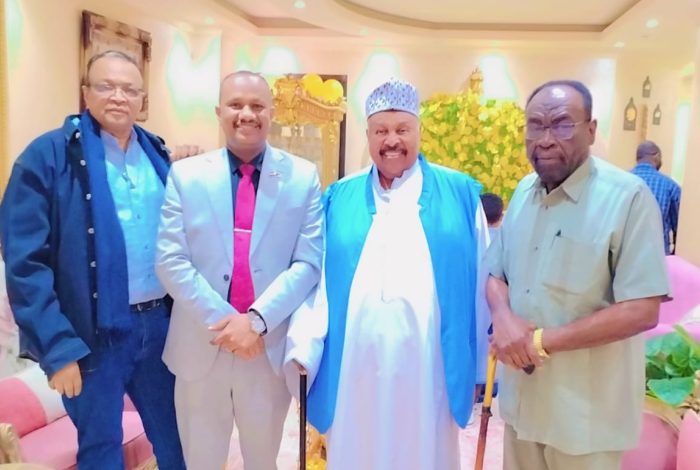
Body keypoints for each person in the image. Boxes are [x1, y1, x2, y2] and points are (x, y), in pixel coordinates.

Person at [284, 77, 490, 470]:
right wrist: (304, 346)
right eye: (381, 131)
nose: (391, 140)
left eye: (402, 129)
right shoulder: (338, 197)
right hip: (354, 367)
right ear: (367, 135)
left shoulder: (460, 194)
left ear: (419, 131)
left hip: (429, 367)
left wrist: (478, 367)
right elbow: (317, 281)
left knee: (425, 453)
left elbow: (481, 282)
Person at [0, 50, 186, 469]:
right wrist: (58, 349)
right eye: (106, 86)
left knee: (179, 438)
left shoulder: (157, 153)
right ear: (85, 92)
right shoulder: (47, 157)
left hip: (161, 325)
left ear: (142, 99)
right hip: (93, 334)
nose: (118, 96)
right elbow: (25, 264)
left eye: (129, 89)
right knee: (101, 450)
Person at [486, 80, 669, 470]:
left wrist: (538, 341)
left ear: (591, 129)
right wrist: (502, 317)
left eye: (562, 124)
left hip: (586, 420)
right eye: (535, 125)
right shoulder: (523, 192)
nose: (546, 138)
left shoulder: (629, 198)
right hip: (523, 407)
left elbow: (642, 309)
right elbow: (496, 274)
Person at [155, 70, 323, 470]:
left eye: (257, 105)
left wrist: (256, 323)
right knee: (201, 461)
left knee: (263, 460)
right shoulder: (186, 175)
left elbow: (308, 262)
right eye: (236, 104)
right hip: (201, 343)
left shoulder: (302, 177)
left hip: (265, 347)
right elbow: (170, 259)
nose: (246, 113)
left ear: (272, 112)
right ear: (219, 112)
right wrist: (230, 324)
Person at [631, 140, 682, 254]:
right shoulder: (670, 186)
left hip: (624, 256)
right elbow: (678, 228)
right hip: (657, 256)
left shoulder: (621, 182)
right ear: (656, 156)